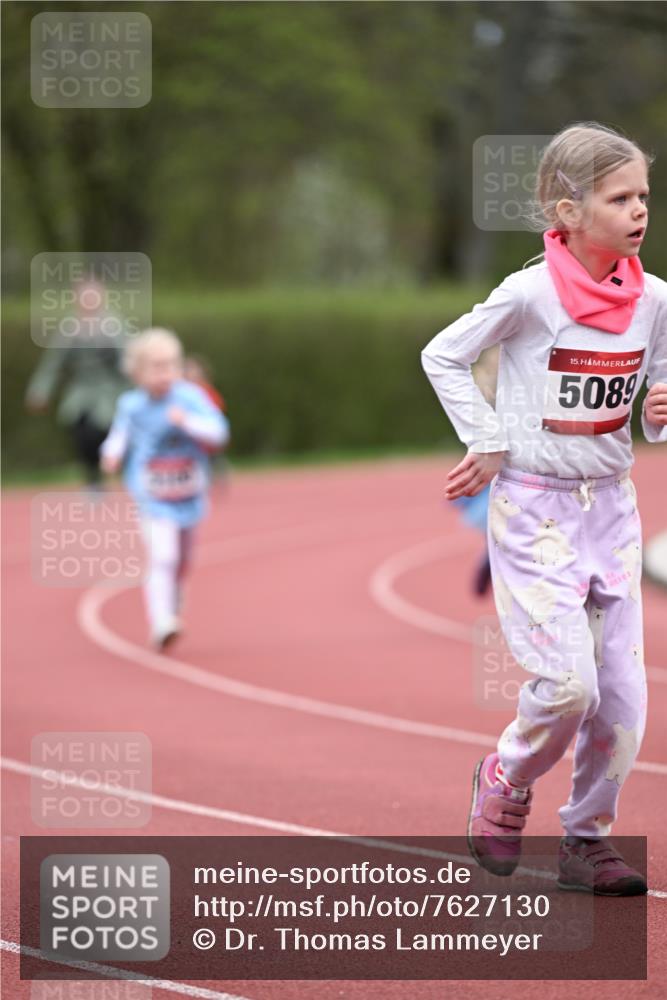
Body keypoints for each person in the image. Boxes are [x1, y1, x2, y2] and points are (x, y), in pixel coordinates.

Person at [421, 122, 667, 895]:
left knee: (624, 697)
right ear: (566, 211)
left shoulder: (654, 299)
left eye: (644, 197)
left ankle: (586, 839)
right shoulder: (528, 294)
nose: (637, 212)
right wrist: (486, 438)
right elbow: (444, 354)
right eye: (618, 197)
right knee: (569, 686)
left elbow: (653, 411)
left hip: (611, 511)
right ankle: (505, 776)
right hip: (534, 509)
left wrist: (660, 410)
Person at [100, 328, 230, 649]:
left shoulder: (190, 397)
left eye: (171, 365)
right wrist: (112, 453)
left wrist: (187, 422)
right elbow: (119, 435)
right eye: (156, 367)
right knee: (163, 556)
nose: (165, 373)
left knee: (183, 560)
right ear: (137, 372)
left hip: (188, 494)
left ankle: (173, 598)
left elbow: (219, 434)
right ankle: (161, 621)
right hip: (151, 495)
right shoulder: (131, 405)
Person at [25, 278, 128, 489]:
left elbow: (128, 357)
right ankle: (92, 477)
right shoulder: (69, 328)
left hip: (109, 389)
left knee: (103, 429)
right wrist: (39, 390)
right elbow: (52, 363)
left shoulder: (114, 324)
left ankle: (115, 467)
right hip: (81, 390)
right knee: (80, 430)